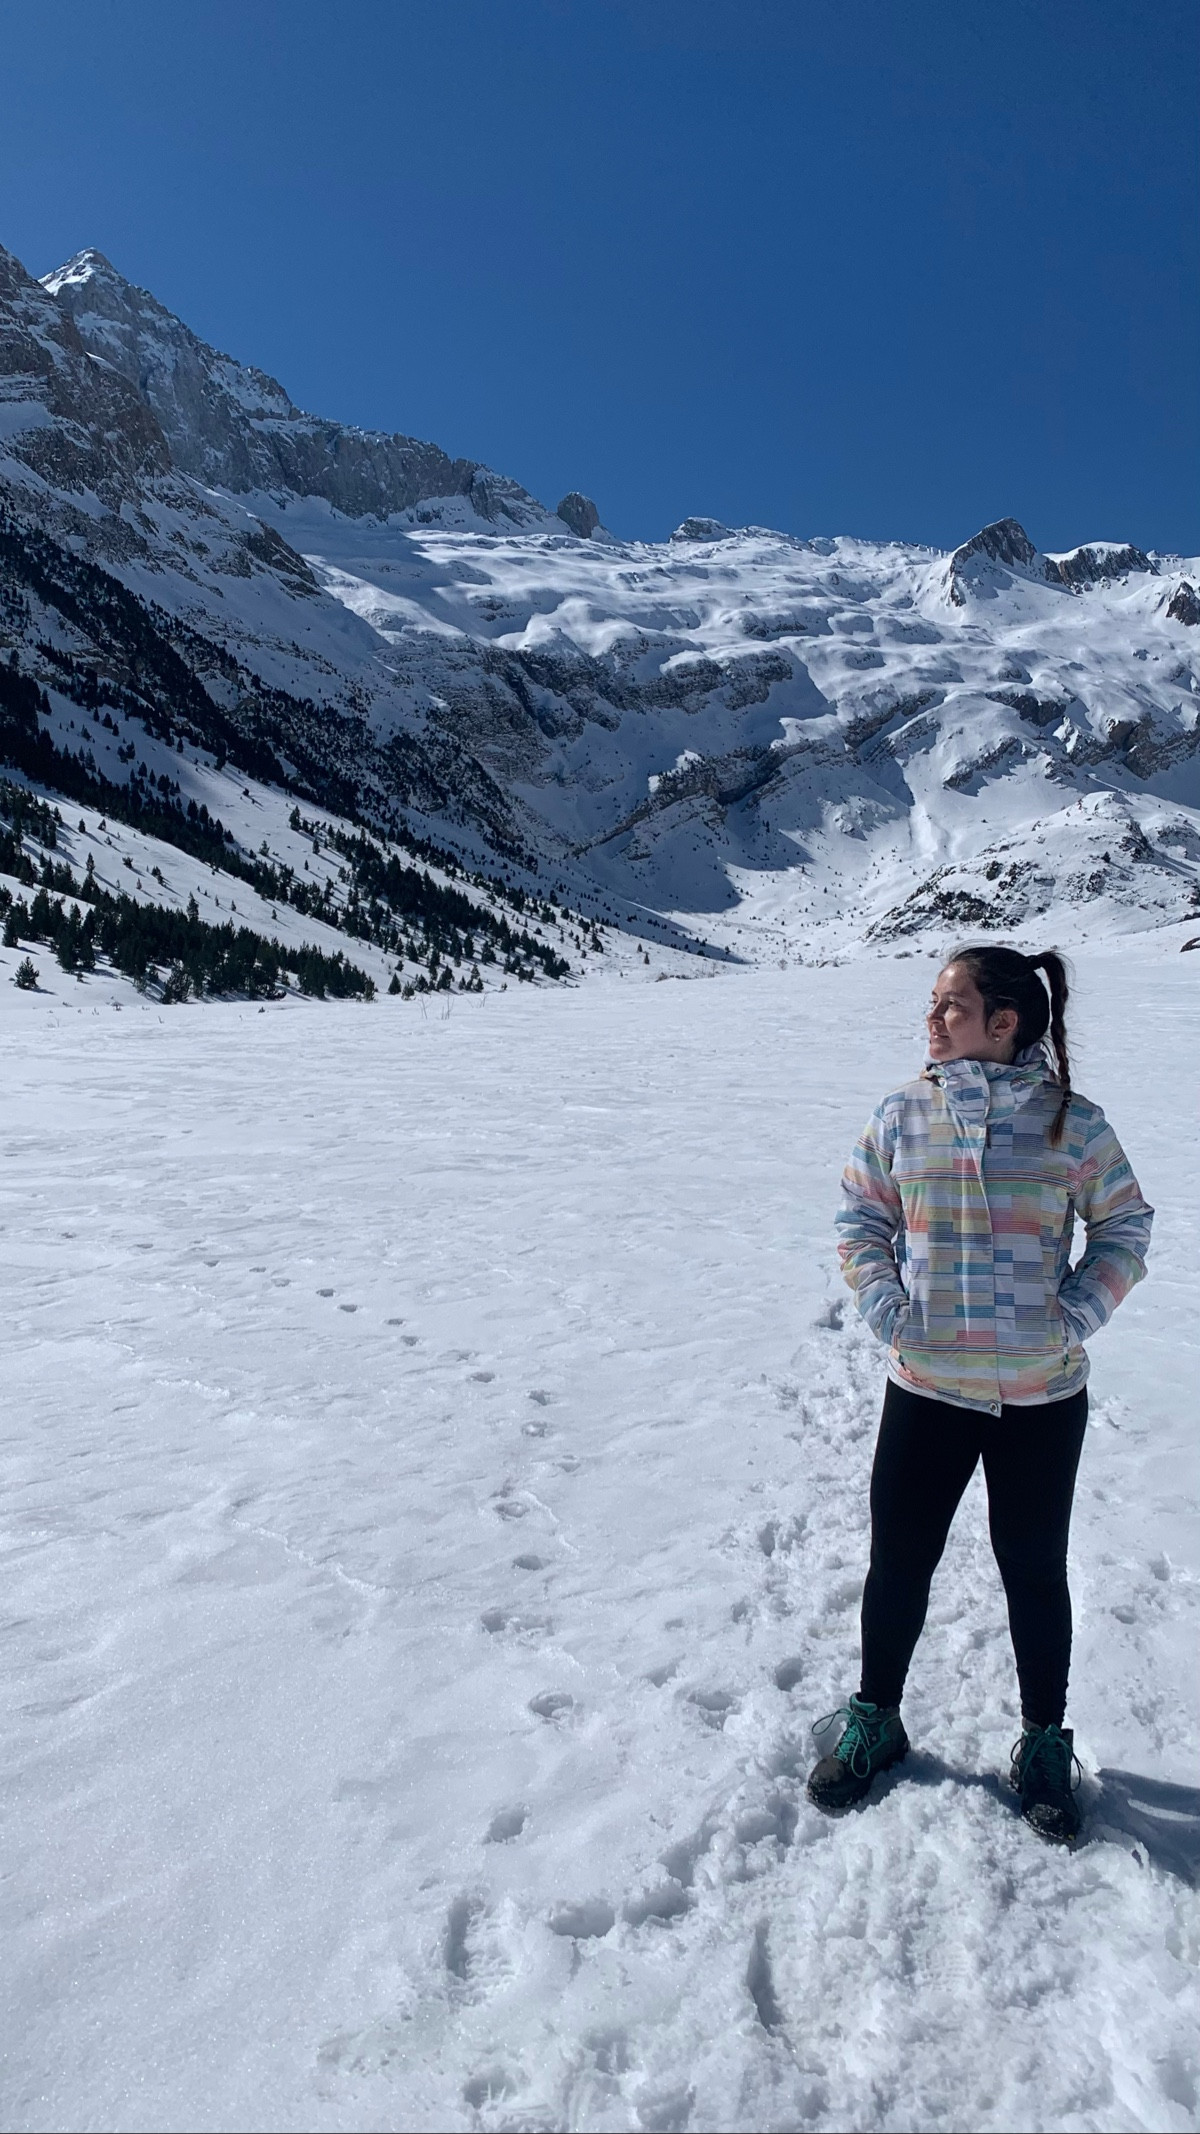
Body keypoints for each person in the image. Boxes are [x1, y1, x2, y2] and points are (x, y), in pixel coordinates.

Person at [809, 945, 1153, 1844]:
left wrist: (1073, 1316)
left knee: (1033, 1570)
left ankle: (1043, 1742)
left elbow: (1125, 1225)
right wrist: (887, 1309)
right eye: (932, 1002)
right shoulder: (903, 1114)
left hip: (1041, 1395)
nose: (931, 1019)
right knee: (899, 1561)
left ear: (1004, 1023)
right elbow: (860, 1217)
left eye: (950, 1005)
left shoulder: (1073, 1124)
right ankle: (876, 1718)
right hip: (927, 1384)